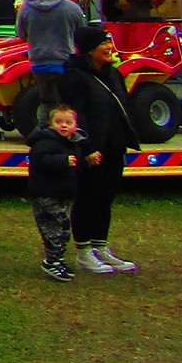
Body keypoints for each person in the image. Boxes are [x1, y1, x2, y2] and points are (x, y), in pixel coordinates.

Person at [59, 24, 140, 273]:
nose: (109, 47)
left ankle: (100, 246)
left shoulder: (113, 73)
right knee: (87, 197)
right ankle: (84, 252)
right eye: (103, 43)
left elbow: (122, 105)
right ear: (90, 49)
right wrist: (89, 147)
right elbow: (76, 116)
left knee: (105, 198)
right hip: (91, 150)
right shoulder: (75, 76)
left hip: (114, 146)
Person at [25, 100, 92, 281]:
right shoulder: (46, 141)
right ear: (51, 124)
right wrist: (62, 161)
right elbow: (39, 160)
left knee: (63, 228)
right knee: (52, 228)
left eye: (68, 123)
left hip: (63, 194)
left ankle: (58, 259)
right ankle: (52, 261)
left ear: (75, 125)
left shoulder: (73, 143)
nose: (63, 126)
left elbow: (77, 165)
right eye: (59, 122)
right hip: (46, 194)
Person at [16, 0, 85, 81]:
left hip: (38, 64)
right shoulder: (72, 8)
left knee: (45, 98)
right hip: (65, 62)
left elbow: (21, 35)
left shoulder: (25, 9)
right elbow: (81, 34)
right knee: (66, 97)